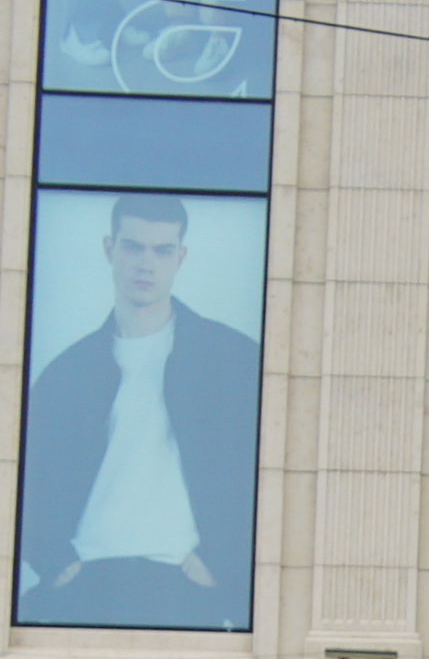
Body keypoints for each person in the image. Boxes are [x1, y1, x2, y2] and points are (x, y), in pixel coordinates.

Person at [18, 191, 262, 628]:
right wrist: (56, 563)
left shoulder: (233, 358)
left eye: (162, 250)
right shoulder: (66, 373)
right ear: (109, 249)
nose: (146, 263)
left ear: (180, 256)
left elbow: (263, 472)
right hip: (84, 583)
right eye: (132, 246)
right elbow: (26, 477)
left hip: (187, 584)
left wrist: (222, 565)